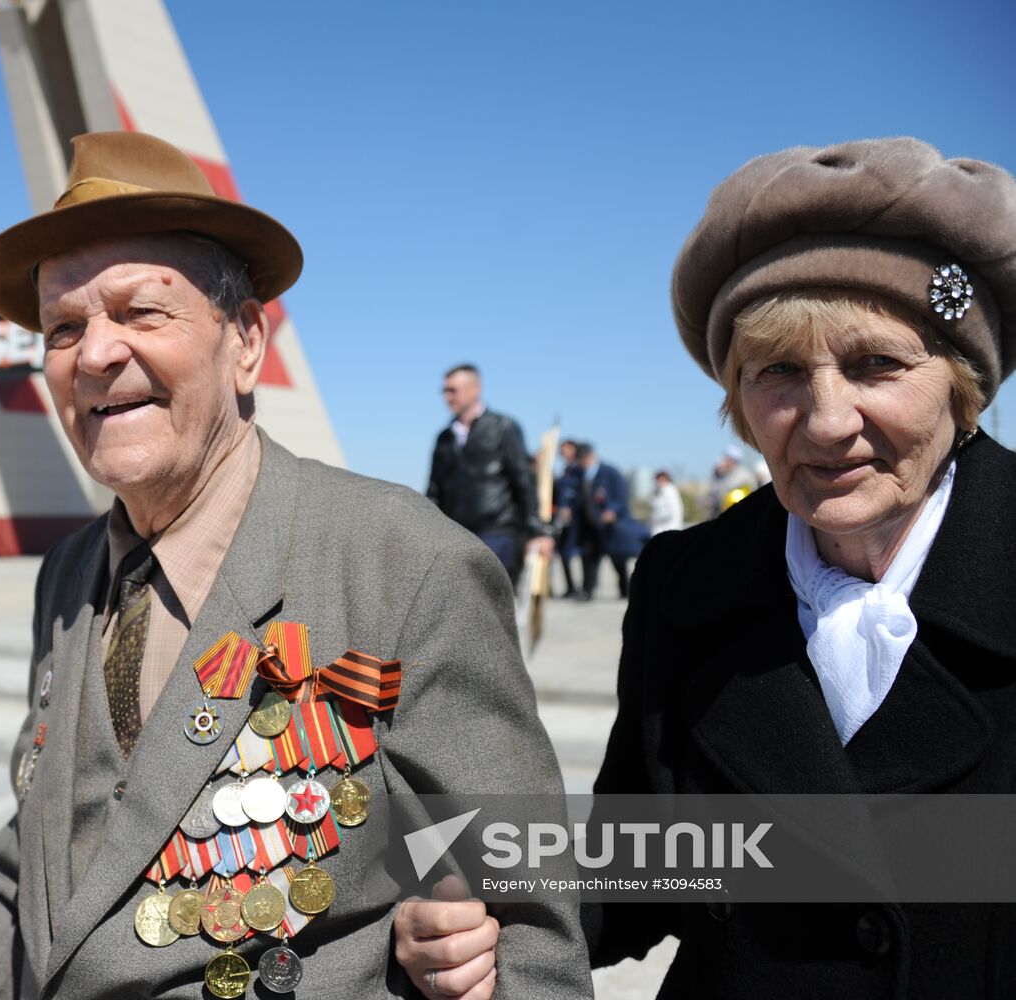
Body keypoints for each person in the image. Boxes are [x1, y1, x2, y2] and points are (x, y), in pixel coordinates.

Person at [0, 131, 590, 1000]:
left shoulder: (404, 564)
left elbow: (523, 927)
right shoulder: (66, 576)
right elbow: (34, 854)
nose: (93, 355)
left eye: (141, 312)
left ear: (244, 341)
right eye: (62, 328)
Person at [394, 136, 1016, 997]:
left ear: (961, 384)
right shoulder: (685, 585)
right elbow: (645, 865)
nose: (827, 421)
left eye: (877, 363)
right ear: (738, 402)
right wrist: (486, 917)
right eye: (779, 373)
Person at [426, 365, 553, 585]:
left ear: (475, 389)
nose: (447, 397)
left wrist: (538, 531)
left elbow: (523, 482)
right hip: (455, 536)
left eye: (452, 390)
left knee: (492, 608)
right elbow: (434, 490)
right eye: (444, 391)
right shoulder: (444, 439)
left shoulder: (503, 427)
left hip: (497, 534)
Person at [559, 443, 632, 600]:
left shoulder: (610, 472)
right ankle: (588, 590)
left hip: (608, 526)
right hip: (586, 524)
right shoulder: (577, 473)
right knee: (589, 556)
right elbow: (568, 493)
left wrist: (612, 510)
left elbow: (622, 496)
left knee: (617, 557)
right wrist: (566, 507)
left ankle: (624, 588)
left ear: (591, 457)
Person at [553, 439, 583, 597]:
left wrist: (570, 508)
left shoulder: (579, 470)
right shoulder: (564, 470)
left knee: (576, 554)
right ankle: (571, 586)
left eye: (568, 448)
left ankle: (581, 587)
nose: (564, 451)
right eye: (562, 449)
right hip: (563, 521)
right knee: (564, 554)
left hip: (577, 520)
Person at [708, 444, 759, 514]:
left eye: (727, 458)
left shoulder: (743, 474)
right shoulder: (724, 474)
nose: (724, 461)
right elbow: (714, 493)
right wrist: (716, 475)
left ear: (733, 460)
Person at [648, 470, 684, 534]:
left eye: (661, 480)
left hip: (668, 528)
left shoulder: (669, 491)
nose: (659, 482)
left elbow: (669, 512)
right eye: (658, 480)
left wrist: (655, 518)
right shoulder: (658, 492)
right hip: (661, 529)